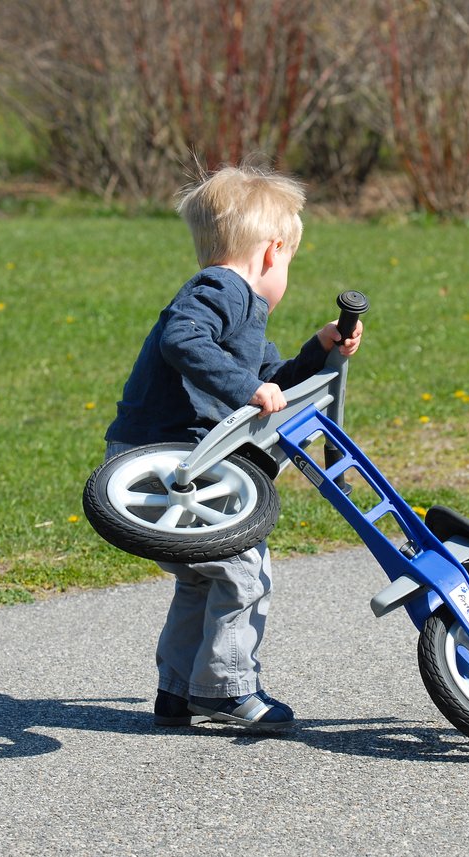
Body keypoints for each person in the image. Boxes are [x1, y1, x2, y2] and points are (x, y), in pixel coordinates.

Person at [103, 164, 363, 731]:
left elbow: (278, 382)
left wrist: (318, 349)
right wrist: (249, 387)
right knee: (245, 568)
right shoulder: (221, 290)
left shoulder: (243, 314)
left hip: (159, 461)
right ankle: (225, 689)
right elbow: (183, 339)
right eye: (290, 261)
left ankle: (178, 690)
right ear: (272, 253)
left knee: (205, 574)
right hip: (174, 464)